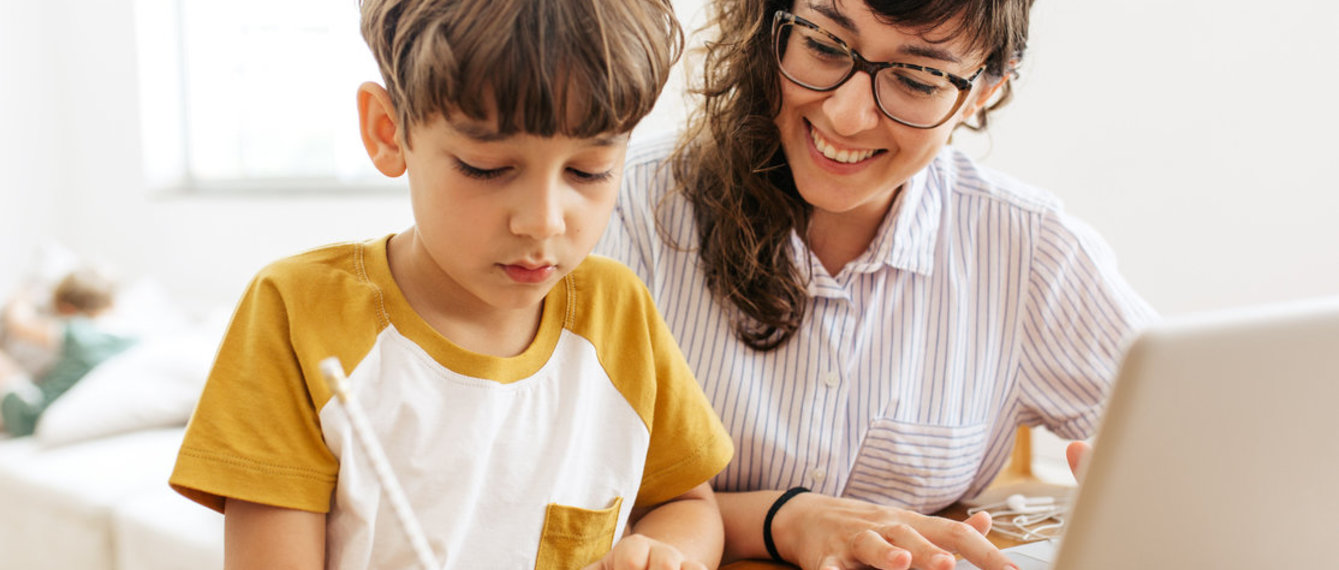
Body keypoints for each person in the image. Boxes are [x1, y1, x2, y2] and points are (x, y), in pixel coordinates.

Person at [168, 1, 736, 568]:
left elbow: (687, 504)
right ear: (388, 132)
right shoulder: (297, 316)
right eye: (487, 167)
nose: (543, 221)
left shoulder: (618, 312)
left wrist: (663, 554)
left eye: (588, 170)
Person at [596, 0, 1158, 568]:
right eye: (822, 45)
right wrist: (785, 521)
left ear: (984, 91)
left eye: (916, 80)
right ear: (773, 27)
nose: (847, 115)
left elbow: (1211, 439)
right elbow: (549, 501)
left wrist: (1165, 487)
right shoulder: (615, 214)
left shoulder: (1030, 251)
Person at [0, 268, 136, 436]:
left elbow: (19, 323)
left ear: (67, 309)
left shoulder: (77, 331)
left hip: (32, 417)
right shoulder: (132, 339)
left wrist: (21, 296)